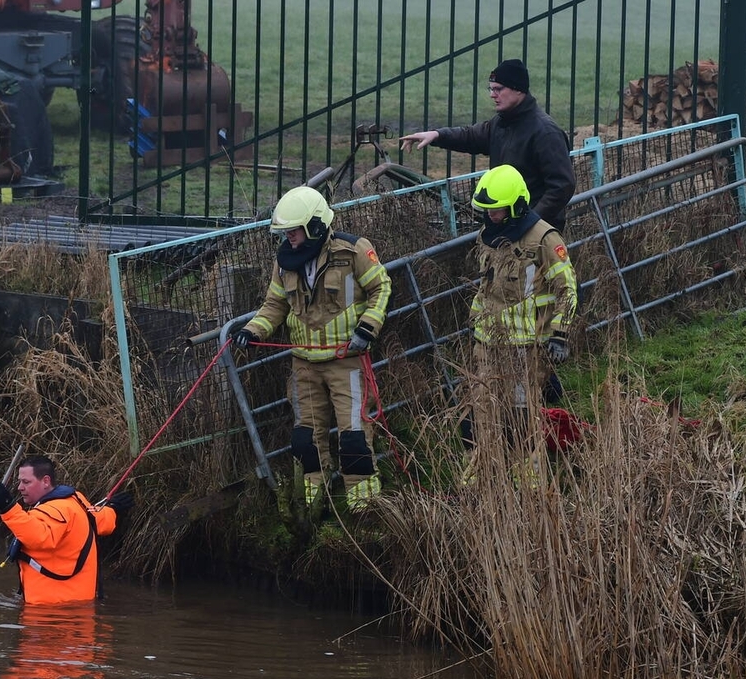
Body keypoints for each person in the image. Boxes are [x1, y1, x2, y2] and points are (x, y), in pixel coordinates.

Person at [233, 185, 391, 512]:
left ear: (314, 226)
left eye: (293, 231)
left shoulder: (353, 251)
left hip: (345, 362)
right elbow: (274, 305)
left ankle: (364, 508)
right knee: (305, 440)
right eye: (285, 232)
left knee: (354, 438)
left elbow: (381, 287)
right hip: (303, 364)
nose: (288, 238)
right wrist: (250, 330)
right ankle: (314, 501)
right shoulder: (285, 262)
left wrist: (367, 328)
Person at [462, 163, 578, 452]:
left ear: (516, 206)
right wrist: (475, 322)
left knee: (521, 415)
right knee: (480, 412)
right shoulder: (488, 234)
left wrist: (560, 335)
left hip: (526, 348)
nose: (491, 215)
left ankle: (530, 474)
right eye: (487, 210)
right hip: (487, 342)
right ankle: (482, 469)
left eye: (497, 209)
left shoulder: (544, 238)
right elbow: (486, 286)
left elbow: (567, 288)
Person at [399, 59, 576, 232]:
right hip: (504, 225)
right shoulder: (500, 123)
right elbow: (470, 136)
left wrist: (531, 222)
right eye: (491, 89)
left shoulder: (545, 132)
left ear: (518, 89)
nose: (492, 95)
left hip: (536, 233)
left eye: (498, 89)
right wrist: (436, 135)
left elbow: (562, 186)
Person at [0, 455, 130, 605]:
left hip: (53, 614)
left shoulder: (55, 510)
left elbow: (40, 536)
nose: (20, 487)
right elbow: (96, 520)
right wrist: (112, 509)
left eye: (26, 482)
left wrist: (7, 507)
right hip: (79, 607)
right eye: (20, 482)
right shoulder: (74, 499)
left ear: (46, 481)